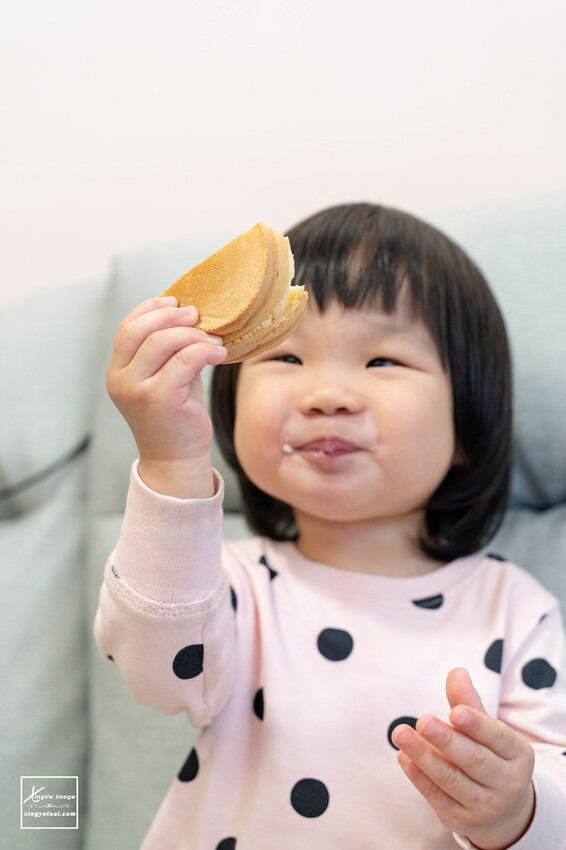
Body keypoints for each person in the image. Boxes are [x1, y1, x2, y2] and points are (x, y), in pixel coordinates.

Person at [95, 203, 566, 850]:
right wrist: (170, 459)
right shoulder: (226, 581)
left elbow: (554, 792)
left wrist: (517, 811)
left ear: (468, 421)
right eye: (285, 358)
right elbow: (154, 674)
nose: (328, 394)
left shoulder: (514, 611)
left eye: (382, 362)